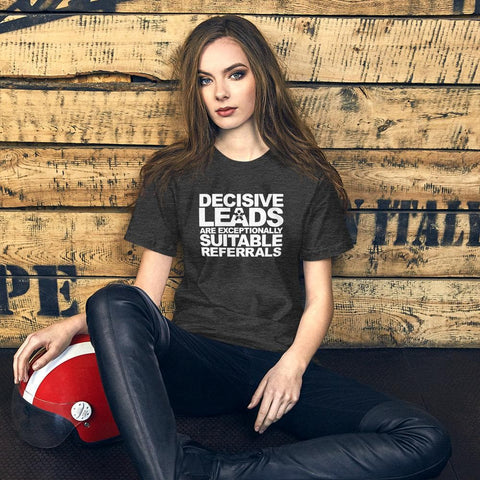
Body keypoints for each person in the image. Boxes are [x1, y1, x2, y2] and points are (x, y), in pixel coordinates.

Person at [13, 15, 451, 480]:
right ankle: (172, 471)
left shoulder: (308, 179)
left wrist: (292, 367)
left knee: (424, 438)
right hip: (196, 360)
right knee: (111, 299)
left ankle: (218, 471)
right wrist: (76, 325)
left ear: (261, 77)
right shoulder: (174, 174)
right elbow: (143, 298)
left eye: (235, 74)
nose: (220, 93)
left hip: (276, 366)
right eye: (206, 80)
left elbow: (320, 299)